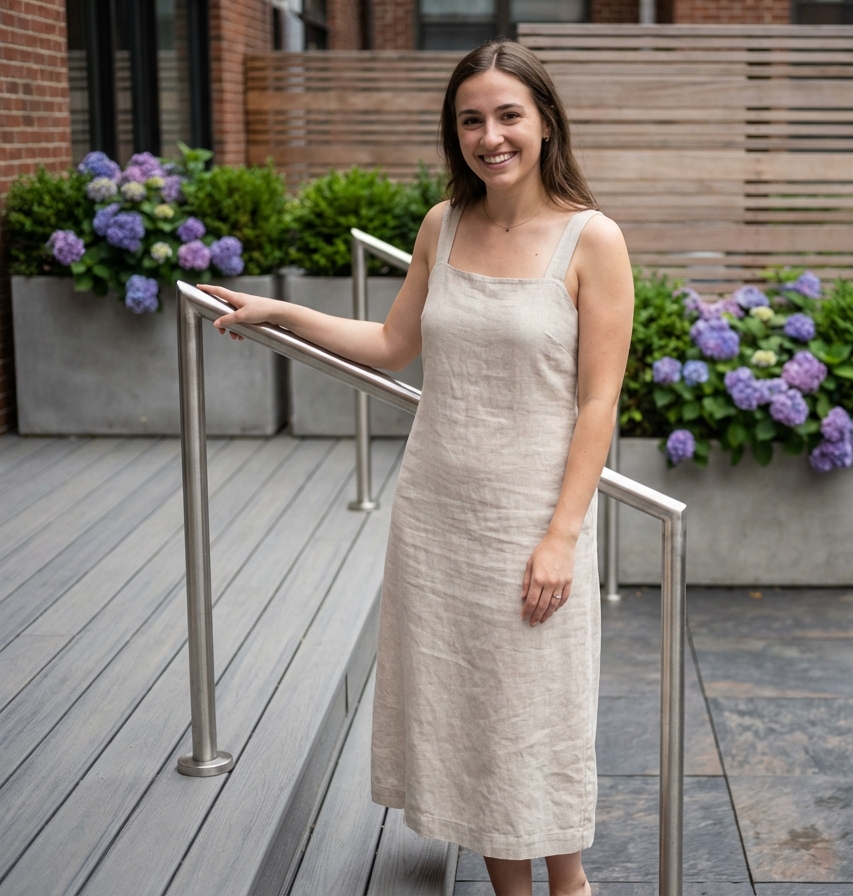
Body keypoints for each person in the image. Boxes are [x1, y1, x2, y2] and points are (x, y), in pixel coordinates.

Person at [198, 38, 634, 896]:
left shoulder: (595, 241)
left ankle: (571, 884)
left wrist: (561, 536)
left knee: (535, 717)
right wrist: (282, 311)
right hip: (438, 516)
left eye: (509, 115)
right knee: (474, 718)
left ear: (544, 121)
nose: (491, 136)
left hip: (534, 519)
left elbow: (597, 404)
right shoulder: (445, 223)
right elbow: (393, 346)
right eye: (471, 120)